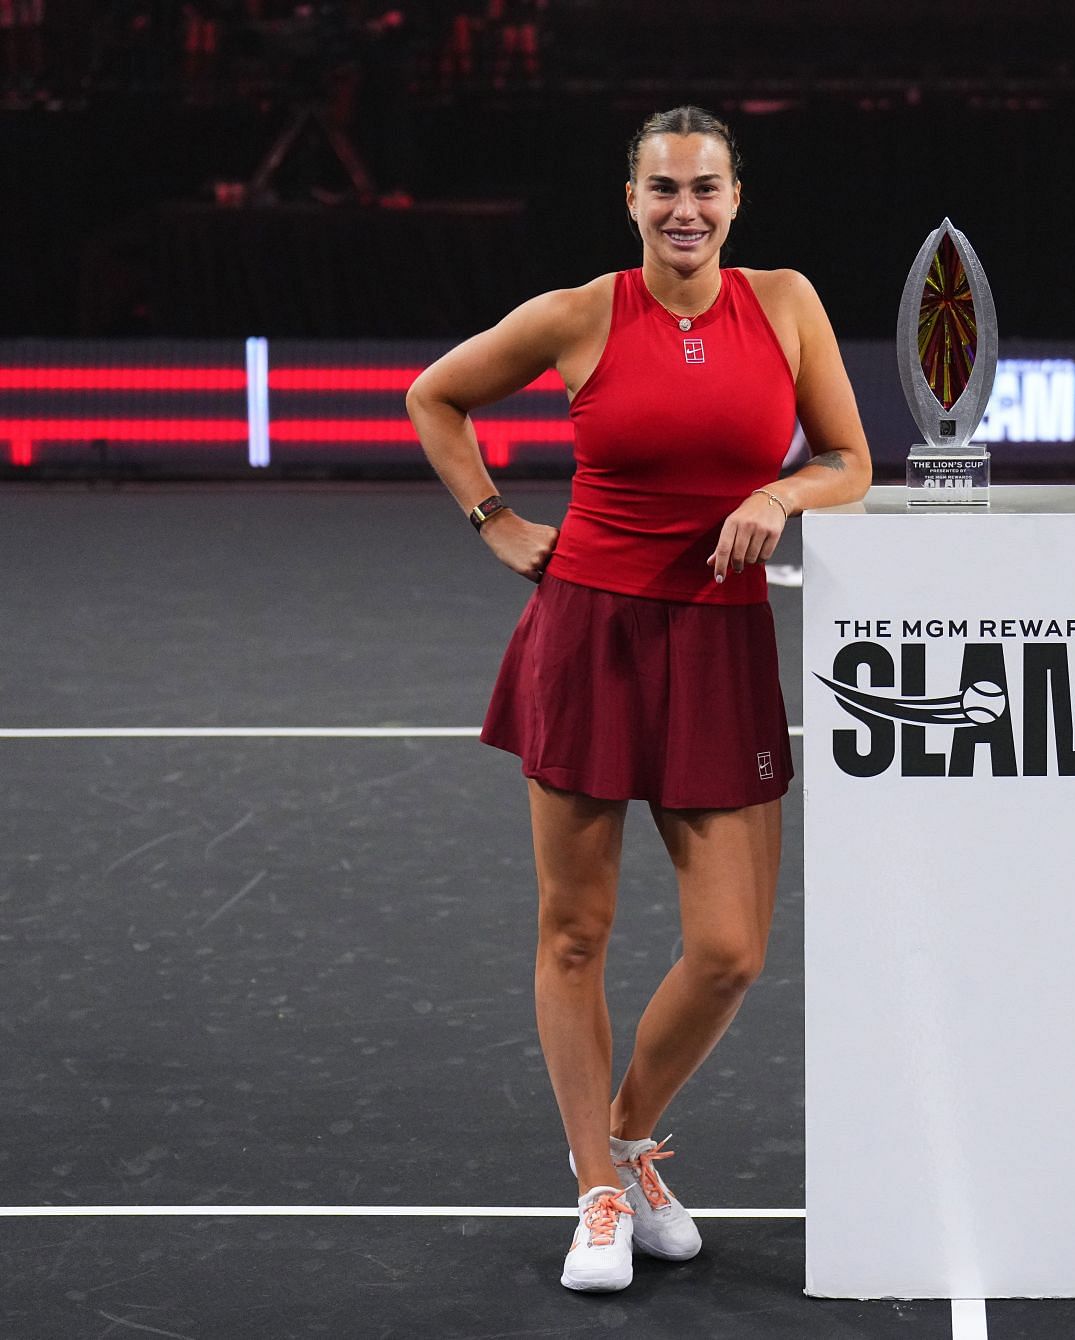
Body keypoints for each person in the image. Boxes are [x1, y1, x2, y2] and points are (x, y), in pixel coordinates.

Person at [406, 105, 872, 1293]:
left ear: (734, 196)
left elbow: (851, 458)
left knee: (730, 949)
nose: (685, 209)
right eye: (663, 189)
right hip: (588, 639)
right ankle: (600, 1187)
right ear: (631, 200)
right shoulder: (578, 315)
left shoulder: (785, 302)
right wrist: (496, 519)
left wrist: (784, 497)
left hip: (720, 648)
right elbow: (434, 396)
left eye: (705, 188)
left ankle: (621, 1132)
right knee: (576, 931)